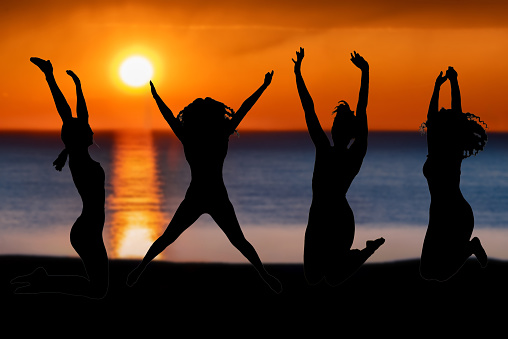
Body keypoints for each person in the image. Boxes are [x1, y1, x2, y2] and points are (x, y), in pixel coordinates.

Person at [126, 72, 282, 293]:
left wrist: (155, 96)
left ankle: (140, 269)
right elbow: (245, 108)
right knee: (238, 241)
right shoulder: (221, 132)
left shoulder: (189, 135)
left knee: (170, 237)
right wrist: (263, 86)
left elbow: (169, 115)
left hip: (198, 195)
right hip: (214, 195)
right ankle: (264, 274)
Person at [11, 58, 109, 298]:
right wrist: (50, 77)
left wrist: (78, 85)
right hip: (87, 230)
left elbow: (80, 117)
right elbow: (67, 112)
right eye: (87, 129)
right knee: (98, 290)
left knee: (97, 286)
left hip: (90, 229)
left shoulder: (77, 154)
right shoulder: (78, 157)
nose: (92, 129)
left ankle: (42, 280)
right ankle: (41, 284)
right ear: (81, 136)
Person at [293, 48, 385, 286]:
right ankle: (363, 252)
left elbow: (359, 111)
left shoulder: (345, 153)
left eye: (337, 122)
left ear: (343, 131)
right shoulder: (332, 149)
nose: (332, 125)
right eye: (334, 121)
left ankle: (366, 251)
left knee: (331, 277)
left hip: (339, 221)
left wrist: (366, 73)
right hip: (318, 219)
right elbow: (309, 111)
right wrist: (297, 74)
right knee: (313, 277)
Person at [419, 66, 488, 281]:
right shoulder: (434, 148)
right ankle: (468, 249)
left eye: (442, 115)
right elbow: (431, 115)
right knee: (426, 271)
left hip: (456, 214)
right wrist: (437, 86)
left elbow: (456, 113)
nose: (438, 114)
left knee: (438, 273)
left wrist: (454, 81)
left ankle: (470, 248)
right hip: (438, 213)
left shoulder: (453, 149)